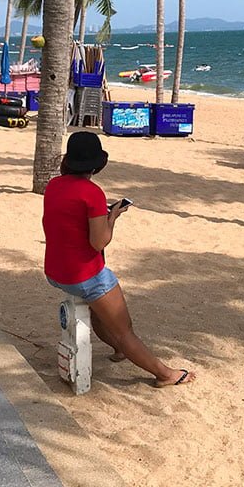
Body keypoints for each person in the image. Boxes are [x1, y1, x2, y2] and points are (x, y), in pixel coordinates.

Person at [42, 132, 194, 388]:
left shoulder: (54, 186)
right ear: (96, 165)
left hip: (56, 272)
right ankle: (165, 374)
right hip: (85, 275)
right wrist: (111, 217)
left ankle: (119, 351)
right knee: (125, 330)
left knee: (100, 315)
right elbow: (99, 242)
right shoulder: (92, 193)